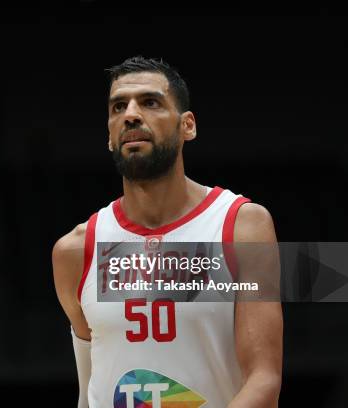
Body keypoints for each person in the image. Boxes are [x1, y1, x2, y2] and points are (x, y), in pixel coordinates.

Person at [52, 57, 283, 408]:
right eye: (118, 107)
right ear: (110, 137)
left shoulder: (241, 225)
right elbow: (88, 391)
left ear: (187, 126)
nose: (130, 114)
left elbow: (264, 381)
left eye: (150, 102)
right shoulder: (74, 250)